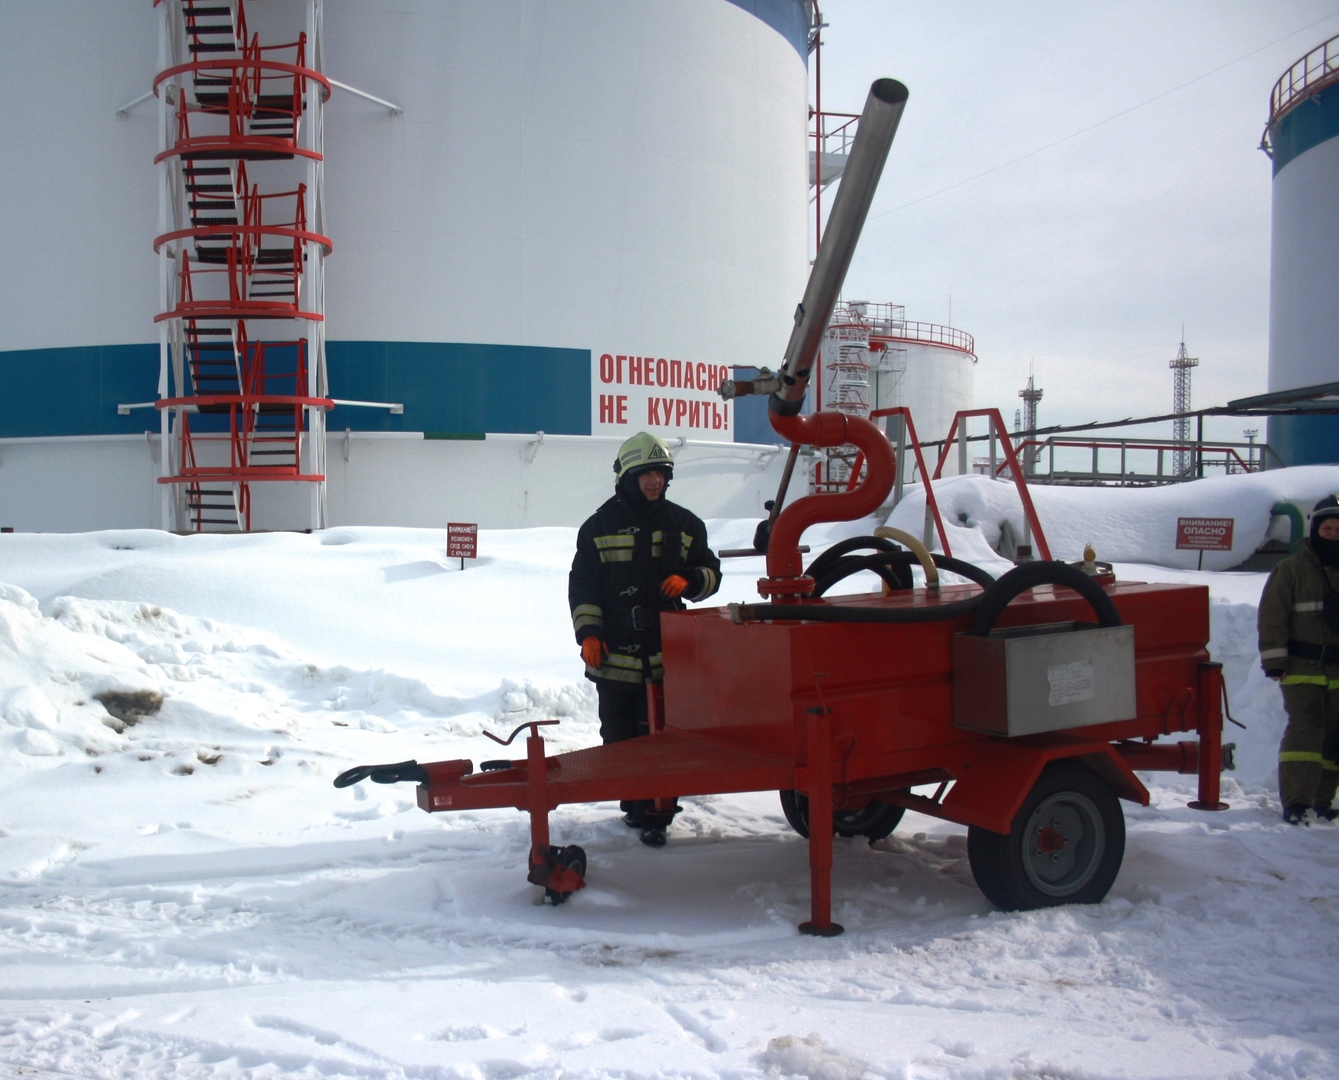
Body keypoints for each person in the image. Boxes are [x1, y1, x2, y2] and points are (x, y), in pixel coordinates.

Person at [568, 431, 722, 847]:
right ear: (627, 478)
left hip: (666, 658)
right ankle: (634, 805)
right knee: (619, 740)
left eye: (662, 473)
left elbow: (712, 574)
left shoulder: (685, 525)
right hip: (614, 656)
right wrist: (589, 634)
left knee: (662, 739)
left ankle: (658, 814)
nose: (656, 481)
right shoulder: (598, 527)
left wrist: (690, 579)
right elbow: (584, 586)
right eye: (647, 474)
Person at [1258, 494, 1339, 825]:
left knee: (1334, 737)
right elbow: (1273, 617)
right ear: (1315, 529)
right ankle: (1297, 803)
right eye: (1328, 528)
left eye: (1338, 529)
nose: (1333, 534)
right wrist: (1275, 661)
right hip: (1301, 668)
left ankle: (1322, 802)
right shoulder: (1291, 570)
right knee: (1306, 733)